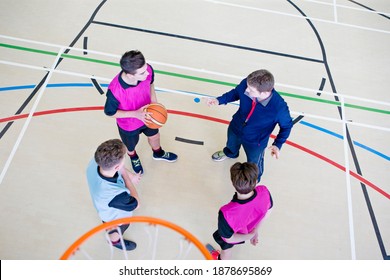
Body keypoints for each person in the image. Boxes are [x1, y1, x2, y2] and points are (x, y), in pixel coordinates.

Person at [206, 69, 292, 182]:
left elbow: (287, 126)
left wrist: (278, 144)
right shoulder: (248, 83)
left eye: (250, 90)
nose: (246, 90)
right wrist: (219, 100)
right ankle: (230, 153)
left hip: (256, 141)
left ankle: (255, 178)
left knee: (254, 162)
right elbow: (236, 93)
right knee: (231, 144)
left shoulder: (279, 108)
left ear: (265, 93)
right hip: (236, 127)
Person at [104, 50, 177, 175]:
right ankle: (133, 157)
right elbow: (110, 112)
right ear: (130, 75)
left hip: (149, 115)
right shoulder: (115, 91)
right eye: (142, 72)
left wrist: (154, 102)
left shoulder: (147, 70)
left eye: (146, 68)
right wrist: (136, 114)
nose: (147, 72)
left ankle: (158, 153)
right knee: (130, 147)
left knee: (155, 136)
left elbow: (151, 84)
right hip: (129, 124)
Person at [86, 139, 142, 251]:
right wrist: (127, 178)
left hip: (103, 206)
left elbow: (117, 167)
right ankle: (114, 241)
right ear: (117, 167)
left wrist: (130, 174)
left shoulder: (96, 161)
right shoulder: (116, 195)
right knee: (117, 229)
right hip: (112, 217)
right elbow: (137, 203)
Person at [209, 162, 273, 260]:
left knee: (226, 250)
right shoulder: (264, 191)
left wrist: (250, 235)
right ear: (256, 181)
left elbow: (229, 239)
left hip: (237, 234)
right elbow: (268, 210)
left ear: (232, 183)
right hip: (250, 229)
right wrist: (255, 232)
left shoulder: (226, 213)